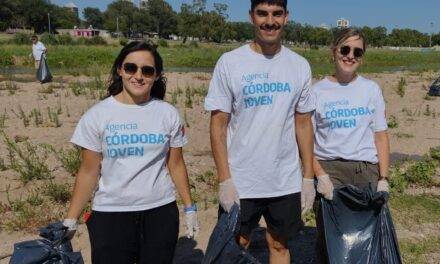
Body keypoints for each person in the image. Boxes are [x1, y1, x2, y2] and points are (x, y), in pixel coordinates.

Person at [62, 41, 199, 264]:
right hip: (110, 214)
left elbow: (175, 164)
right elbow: (88, 171)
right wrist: (71, 218)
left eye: (147, 70)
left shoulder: (168, 114)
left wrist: (189, 207)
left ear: (156, 75)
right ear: (120, 70)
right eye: (130, 68)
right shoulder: (97, 115)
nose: (138, 76)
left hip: (160, 212)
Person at [204, 0, 316, 263]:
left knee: (278, 244)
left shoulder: (299, 65)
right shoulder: (230, 62)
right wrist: (224, 180)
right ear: (251, 16)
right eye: (262, 13)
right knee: (236, 243)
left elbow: (303, 124)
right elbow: (218, 124)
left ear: (286, 17)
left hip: (283, 179)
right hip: (242, 179)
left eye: (277, 14)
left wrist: (308, 177)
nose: (270, 21)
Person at [309, 28, 390, 263]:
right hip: (330, 171)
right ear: (334, 52)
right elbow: (305, 140)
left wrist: (383, 178)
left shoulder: (371, 89)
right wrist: (319, 175)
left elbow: (381, 135)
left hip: (366, 171)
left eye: (357, 51)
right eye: (345, 49)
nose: (350, 56)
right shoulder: (317, 91)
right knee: (330, 237)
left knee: (367, 235)